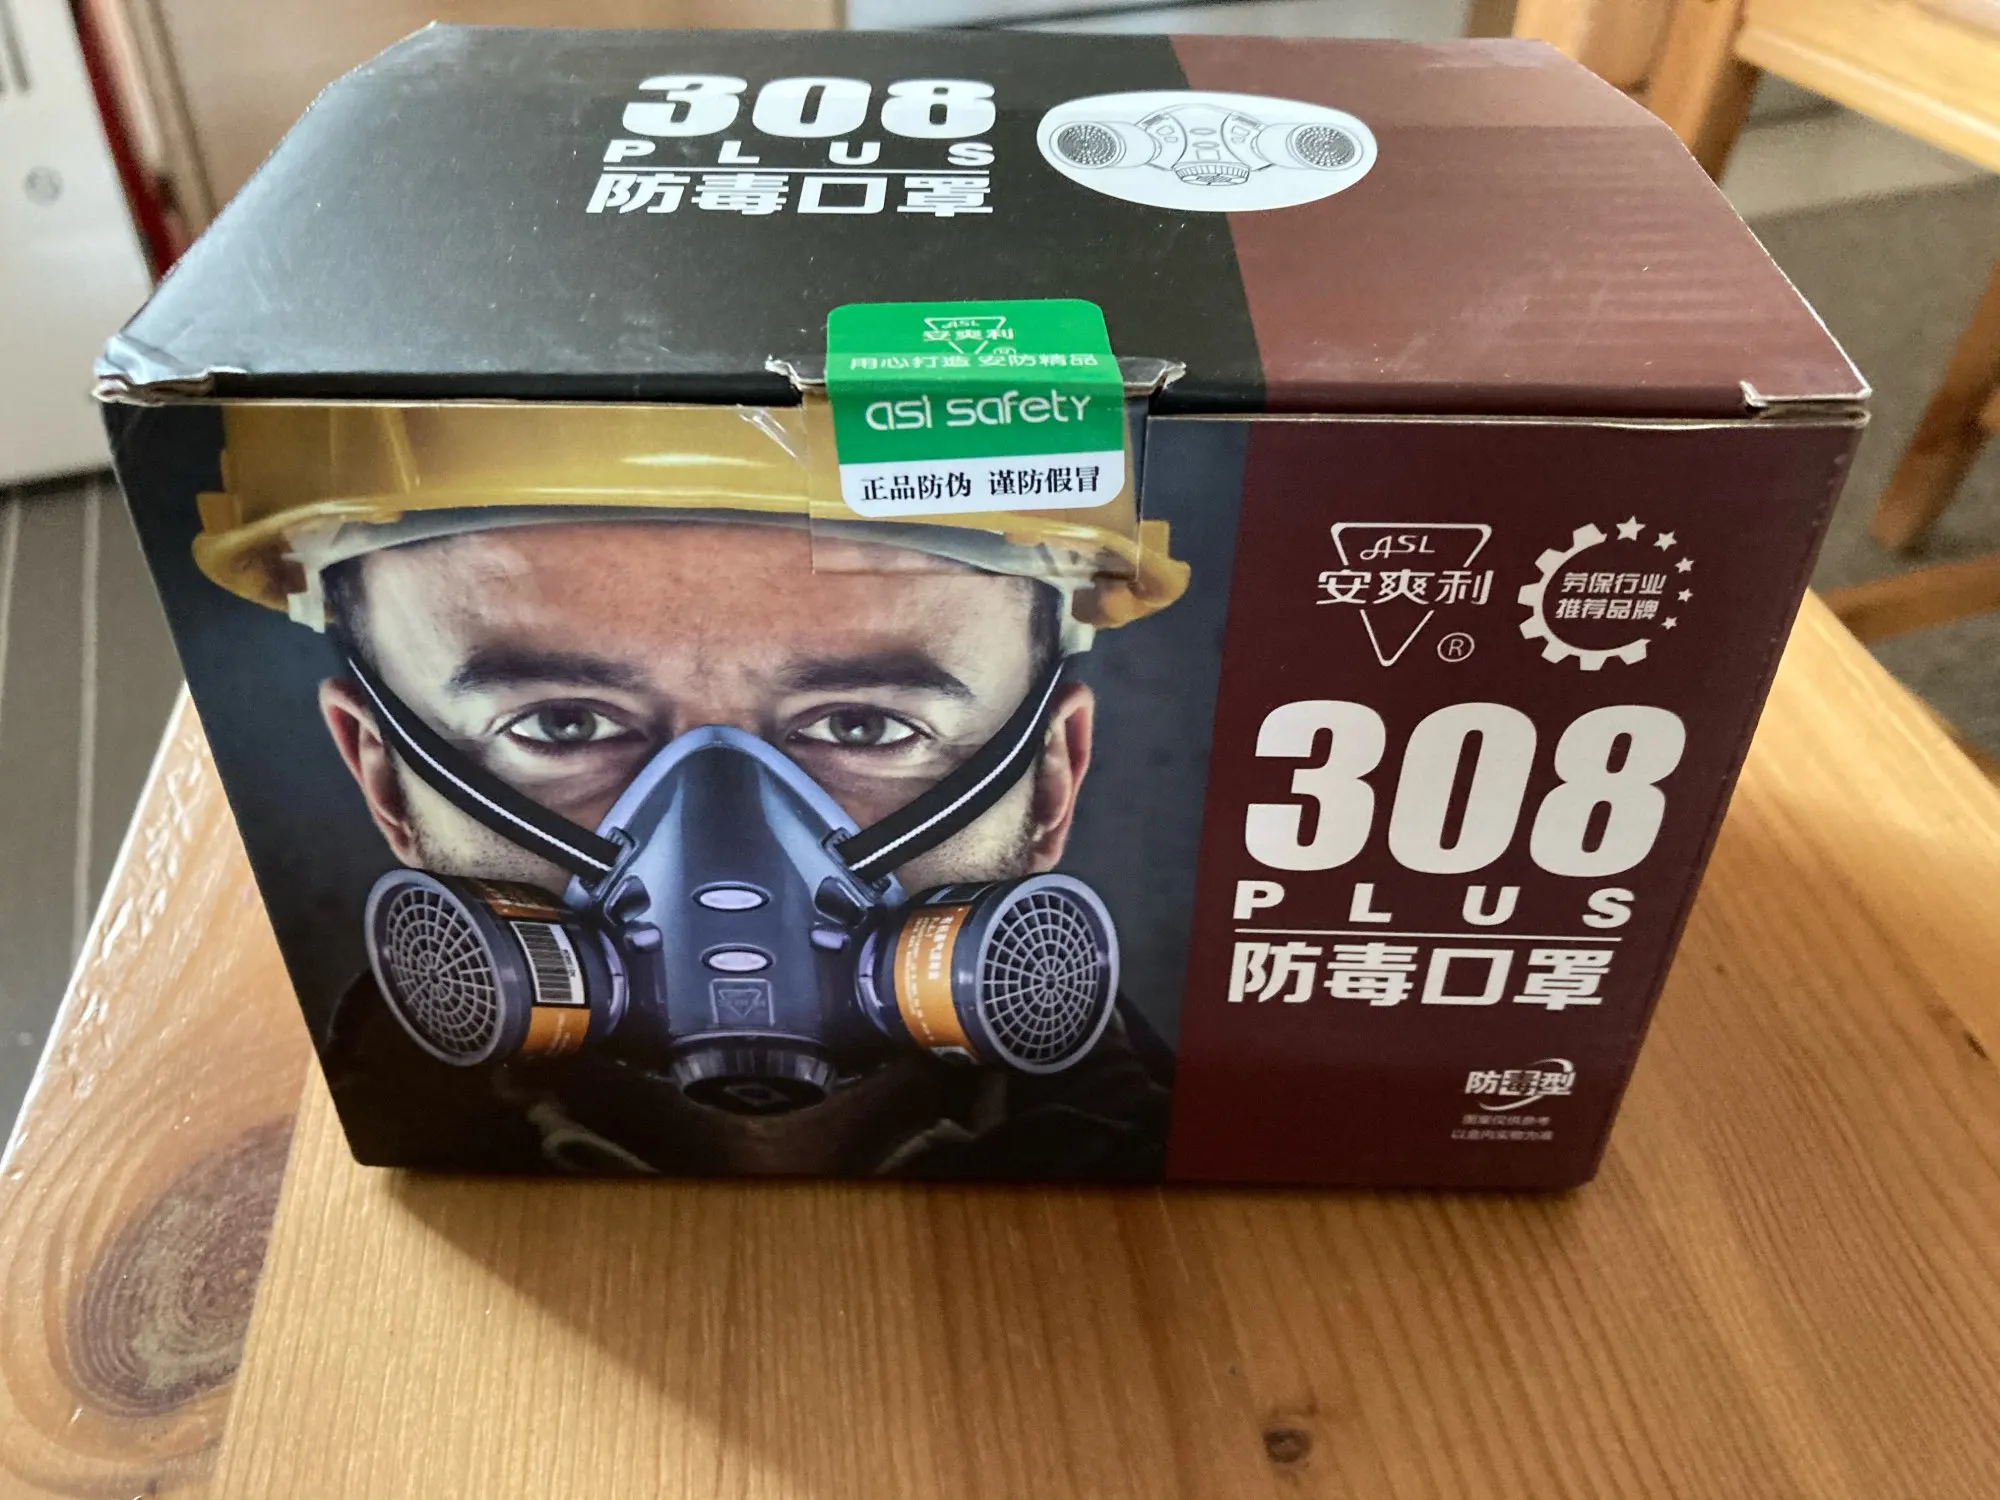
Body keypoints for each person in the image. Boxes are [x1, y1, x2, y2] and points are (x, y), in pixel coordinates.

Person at [192, 400, 1189, 1177]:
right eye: (562, 724)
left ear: (1050, 779)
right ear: (383, 777)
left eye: (864, 726)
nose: (726, 866)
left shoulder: (1175, 1161)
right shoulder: (354, 1160)